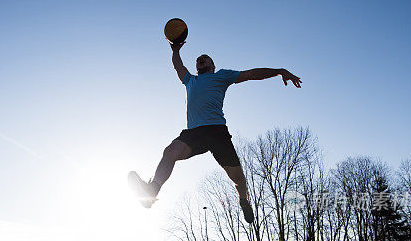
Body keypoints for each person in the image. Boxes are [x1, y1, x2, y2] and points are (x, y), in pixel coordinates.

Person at [128, 43, 302, 223]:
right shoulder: (190, 80)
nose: (200, 60)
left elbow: (251, 74)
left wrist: (280, 71)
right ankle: (152, 191)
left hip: (217, 132)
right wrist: (175, 51)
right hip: (194, 133)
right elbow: (178, 66)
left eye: (205, 58)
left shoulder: (222, 76)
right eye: (198, 60)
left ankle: (243, 200)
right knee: (169, 152)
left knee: (239, 180)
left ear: (213, 66)